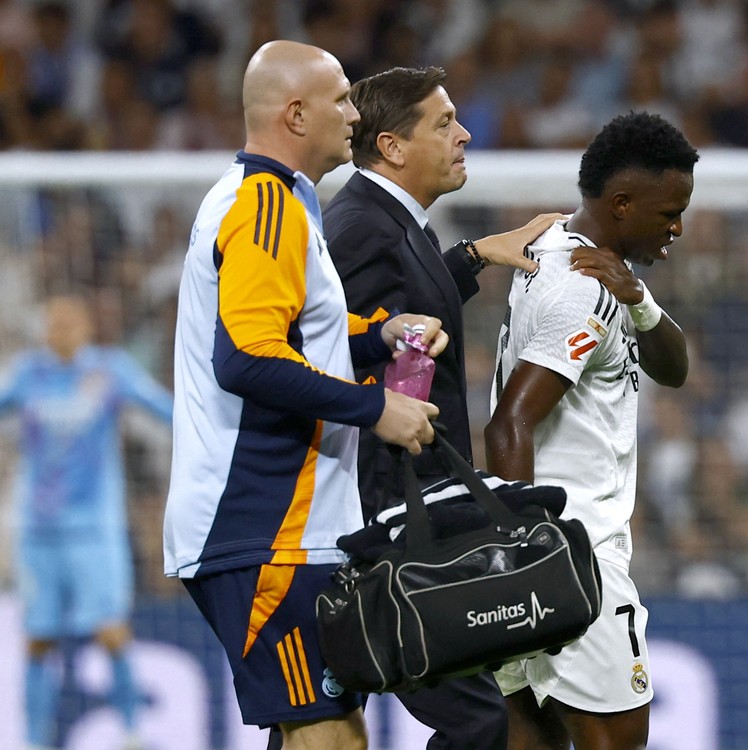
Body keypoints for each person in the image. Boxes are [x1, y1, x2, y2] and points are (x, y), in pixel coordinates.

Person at [162, 41, 447, 750]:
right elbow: (251, 359)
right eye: (342, 99)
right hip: (265, 526)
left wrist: (379, 337)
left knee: (315, 732)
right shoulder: (262, 204)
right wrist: (378, 407)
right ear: (295, 114)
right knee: (334, 737)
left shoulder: (285, 201)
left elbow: (294, 337)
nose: (354, 114)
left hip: (283, 526)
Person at [322, 64, 560, 750]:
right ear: (393, 147)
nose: (464, 135)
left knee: (322, 723)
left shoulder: (390, 220)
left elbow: (401, 323)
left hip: (395, 512)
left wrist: (476, 255)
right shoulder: (361, 226)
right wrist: (389, 524)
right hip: (389, 518)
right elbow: (350, 353)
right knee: (477, 721)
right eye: (444, 122)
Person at [485, 111, 698, 749]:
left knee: (534, 738)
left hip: (540, 552)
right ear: (622, 204)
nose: (677, 227)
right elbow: (507, 426)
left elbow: (676, 368)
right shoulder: (585, 290)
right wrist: (529, 556)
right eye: (669, 212)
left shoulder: (559, 253)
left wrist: (640, 301)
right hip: (574, 557)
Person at [0, 293, 173, 750]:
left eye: (70, 321)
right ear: (44, 328)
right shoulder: (27, 373)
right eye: (54, 322)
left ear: (87, 327)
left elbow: (165, 410)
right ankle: (34, 741)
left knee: (111, 631)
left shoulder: (109, 371)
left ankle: (132, 732)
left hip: (95, 529)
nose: (61, 330)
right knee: (38, 640)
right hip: (38, 532)